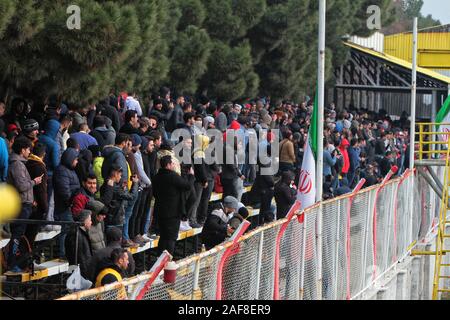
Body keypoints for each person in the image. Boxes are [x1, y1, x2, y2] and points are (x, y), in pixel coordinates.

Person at [7, 137, 44, 272]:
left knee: (19, 233)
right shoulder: (17, 164)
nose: (30, 152)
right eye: (28, 149)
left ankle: (16, 262)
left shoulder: (20, 163)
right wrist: (34, 182)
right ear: (22, 149)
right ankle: (12, 263)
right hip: (20, 205)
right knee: (17, 233)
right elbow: (22, 186)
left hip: (25, 204)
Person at [152, 155, 192, 255]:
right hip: (173, 213)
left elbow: (155, 193)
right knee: (171, 238)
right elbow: (187, 186)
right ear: (168, 165)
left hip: (160, 211)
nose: (174, 165)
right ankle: (167, 260)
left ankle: (159, 259)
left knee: (163, 237)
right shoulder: (173, 176)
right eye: (172, 163)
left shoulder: (156, 177)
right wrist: (191, 176)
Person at [53, 147, 80, 258]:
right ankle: (62, 254)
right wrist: (71, 200)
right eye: (76, 159)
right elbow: (64, 191)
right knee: (65, 231)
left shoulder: (70, 170)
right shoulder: (62, 171)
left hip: (70, 206)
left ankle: (66, 253)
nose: (77, 162)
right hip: (64, 207)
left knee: (68, 230)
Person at [25, 142, 48, 247]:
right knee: (30, 235)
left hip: (27, 202)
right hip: (36, 205)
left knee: (24, 234)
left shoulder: (27, 163)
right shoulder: (40, 166)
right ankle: (26, 259)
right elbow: (41, 190)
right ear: (43, 155)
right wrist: (45, 207)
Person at [65, 210, 93, 279]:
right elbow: (79, 257)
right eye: (90, 220)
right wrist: (86, 275)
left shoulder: (80, 232)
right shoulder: (76, 234)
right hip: (79, 273)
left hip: (81, 271)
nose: (91, 222)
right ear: (85, 221)